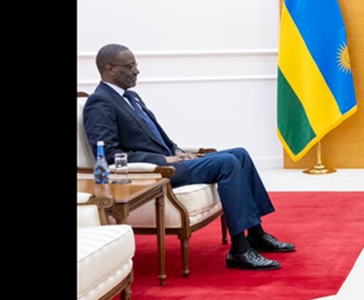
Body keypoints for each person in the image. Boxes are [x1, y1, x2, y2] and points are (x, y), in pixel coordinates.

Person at [83, 44, 295, 271]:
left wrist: (177, 151)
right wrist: (162, 161)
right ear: (110, 69)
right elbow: (109, 155)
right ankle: (240, 250)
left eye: (136, 65)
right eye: (130, 66)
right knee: (227, 163)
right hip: (155, 174)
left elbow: (155, 136)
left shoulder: (131, 97)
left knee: (240, 154)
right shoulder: (100, 102)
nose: (136, 71)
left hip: (172, 163)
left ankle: (256, 234)